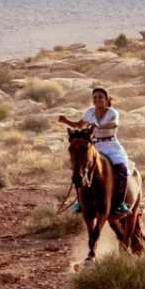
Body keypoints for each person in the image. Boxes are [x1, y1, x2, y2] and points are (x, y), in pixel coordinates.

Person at [59, 86, 131, 215]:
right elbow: (78, 125)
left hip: (111, 146)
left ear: (107, 99)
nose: (98, 99)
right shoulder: (89, 112)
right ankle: (80, 202)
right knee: (79, 170)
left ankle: (120, 203)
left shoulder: (112, 113)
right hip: (94, 146)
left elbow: (114, 124)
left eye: (101, 97)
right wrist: (66, 121)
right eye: (95, 97)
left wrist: (99, 125)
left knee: (122, 169)